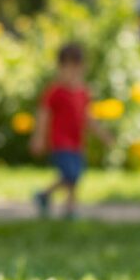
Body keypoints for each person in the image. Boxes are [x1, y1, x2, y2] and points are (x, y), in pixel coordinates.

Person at [29, 42, 112, 218]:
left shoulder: (83, 92)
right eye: (67, 68)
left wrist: (103, 135)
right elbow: (44, 115)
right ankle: (58, 202)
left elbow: (89, 118)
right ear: (59, 68)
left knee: (75, 177)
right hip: (60, 141)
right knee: (70, 174)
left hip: (77, 142)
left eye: (76, 69)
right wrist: (39, 137)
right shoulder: (55, 92)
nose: (71, 73)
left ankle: (61, 204)